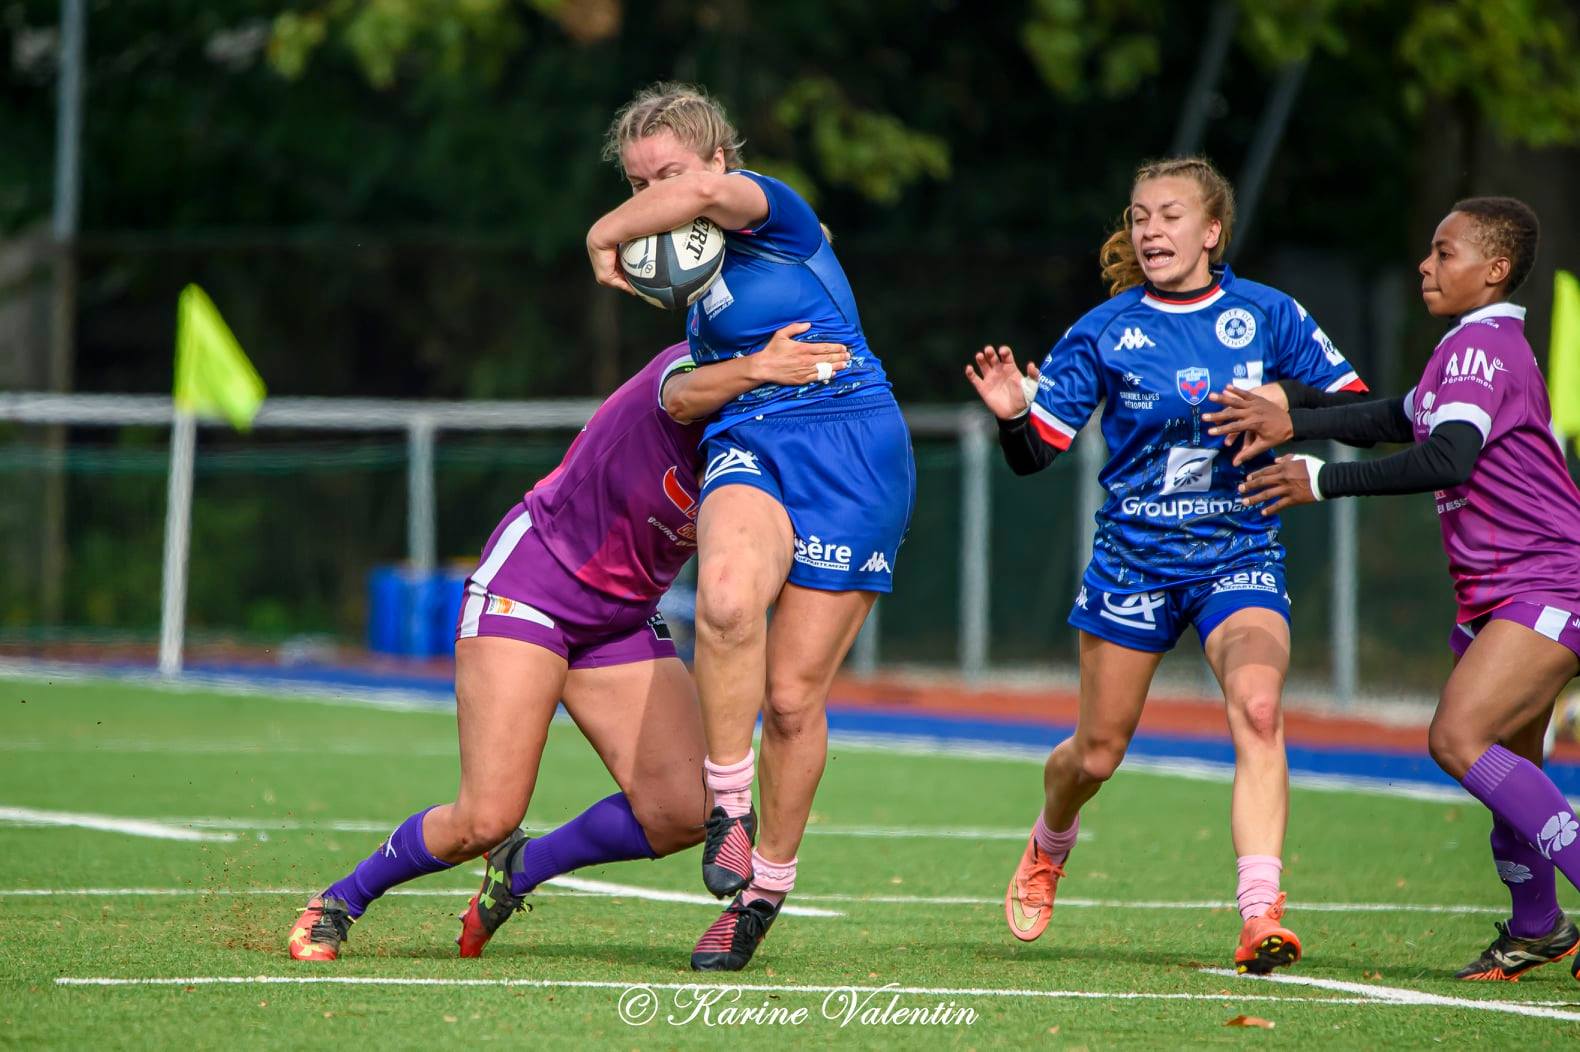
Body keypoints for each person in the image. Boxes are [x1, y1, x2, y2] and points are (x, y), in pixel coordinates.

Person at [286, 328, 850, 961]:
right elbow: (683, 393)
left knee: (687, 809)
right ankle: (340, 900)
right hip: (533, 588)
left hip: (623, 618)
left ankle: (522, 867)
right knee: (485, 817)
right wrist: (762, 364)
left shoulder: (777, 438)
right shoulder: (703, 366)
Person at [964, 156, 1368, 974]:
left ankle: (1261, 916)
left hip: (1239, 550)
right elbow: (1036, 454)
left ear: (1212, 232)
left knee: (1258, 710)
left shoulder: (1267, 314)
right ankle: (1050, 840)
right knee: (1098, 755)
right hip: (1133, 562)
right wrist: (1013, 417)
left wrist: (1287, 410)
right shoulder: (1105, 330)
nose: (1151, 229)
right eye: (1141, 216)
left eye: (1171, 215)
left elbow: (1363, 409)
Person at [587, 82, 915, 971]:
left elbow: (691, 202)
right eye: (633, 184)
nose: (650, 199)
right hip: (752, 442)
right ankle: (729, 813)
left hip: (854, 449)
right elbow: (692, 392)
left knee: (795, 698)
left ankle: (764, 892)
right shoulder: (690, 283)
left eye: (666, 175)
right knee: (728, 604)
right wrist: (726, 376)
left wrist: (599, 233)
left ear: (720, 163)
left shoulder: (777, 211)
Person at [1218, 196, 1580, 983]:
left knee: (1457, 739)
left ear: (1494, 271)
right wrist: (1297, 416)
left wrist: (1322, 481)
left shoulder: (1482, 350)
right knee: (1512, 763)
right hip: (1507, 590)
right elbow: (1396, 418)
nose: (1426, 263)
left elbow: (1445, 458)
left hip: (1547, 582)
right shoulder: (1469, 349)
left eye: (1445, 252)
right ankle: (1539, 927)